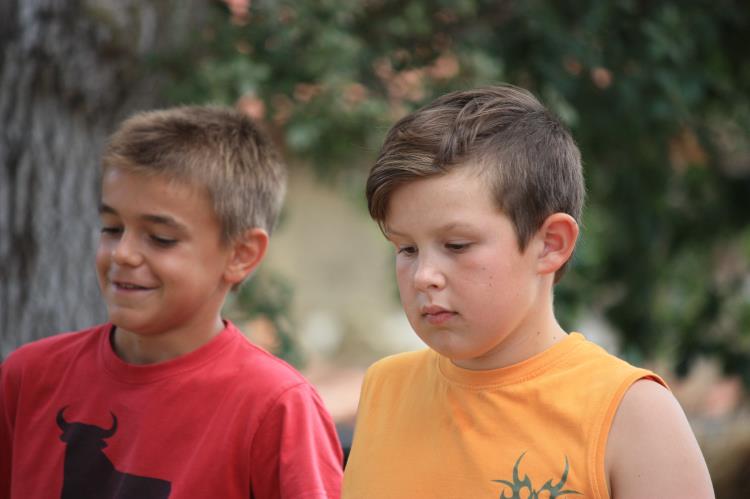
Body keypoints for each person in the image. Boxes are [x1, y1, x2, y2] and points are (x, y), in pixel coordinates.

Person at [342, 85, 714, 498]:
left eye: (457, 245)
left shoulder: (632, 415)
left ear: (550, 243)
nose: (423, 276)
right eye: (406, 249)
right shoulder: (384, 389)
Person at [0, 106, 343, 498]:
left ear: (241, 255)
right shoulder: (28, 377)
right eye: (112, 229)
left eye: (160, 238)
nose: (123, 254)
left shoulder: (275, 408)